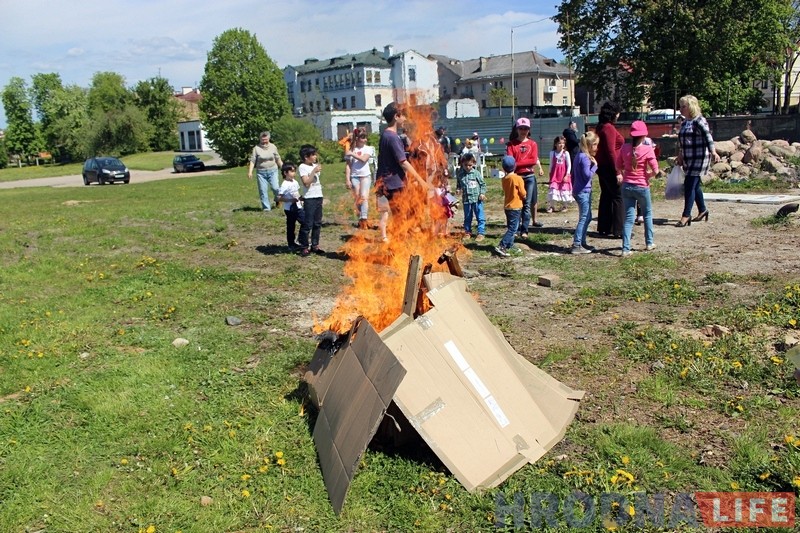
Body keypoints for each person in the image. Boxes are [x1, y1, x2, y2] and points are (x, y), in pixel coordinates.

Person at [375, 102, 432, 241]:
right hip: (395, 184)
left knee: (399, 218)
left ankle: (398, 249)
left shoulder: (385, 135)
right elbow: (403, 163)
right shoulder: (393, 137)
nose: (405, 119)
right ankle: (398, 250)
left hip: (388, 182)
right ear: (396, 116)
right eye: (403, 116)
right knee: (401, 220)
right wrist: (421, 181)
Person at [616, 121, 659, 256]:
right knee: (647, 214)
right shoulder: (647, 149)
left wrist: (623, 174)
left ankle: (625, 248)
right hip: (642, 186)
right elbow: (656, 169)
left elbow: (618, 165)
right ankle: (649, 242)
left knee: (629, 218)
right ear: (644, 135)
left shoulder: (624, 148)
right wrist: (648, 175)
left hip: (627, 186)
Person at [676, 94, 719, 227]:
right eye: (680, 106)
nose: (681, 109)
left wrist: (713, 152)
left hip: (700, 158)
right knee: (695, 185)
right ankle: (703, 210)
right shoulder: (685, 122)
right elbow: (682, 141)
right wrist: (680, 155)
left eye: (684, 106)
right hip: (689, 157)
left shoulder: (699, 121)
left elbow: (708, 137)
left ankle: (686, 215)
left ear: (691, 107)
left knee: (689, 185)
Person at [506, 117, 544, 237]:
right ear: (517, 129)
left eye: (526, 128)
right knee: (517, 204)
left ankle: (525, 229)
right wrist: (518, 163)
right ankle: (515, 229)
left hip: (529, 177)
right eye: (521, 128)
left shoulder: (533, 144)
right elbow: (509, 161)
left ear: (529, 130)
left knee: (527, 204)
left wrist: (517, 163)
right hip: (516, 177)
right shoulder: (511, 145)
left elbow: (533, 160)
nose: (523, 131)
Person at [595, 101, 625, 238]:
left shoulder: (601, 127)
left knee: (606, 196)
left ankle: (604, 227)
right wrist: (617, 171)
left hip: (602, 166)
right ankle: (619, 230)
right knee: (618, 197)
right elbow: (611, 151)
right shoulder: (609, 128)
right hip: (609, 166)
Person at [570, 131, 599, 254]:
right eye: (596, 145)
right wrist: (595, 166)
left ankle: (582, 242)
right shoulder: (586, 158)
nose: (597, 148)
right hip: (583, 192)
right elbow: (587, 176)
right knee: (584, 218)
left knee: (588, 217)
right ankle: (577, 244)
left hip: (579, 190)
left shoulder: (578, 155)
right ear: (589, 145)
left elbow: (573, 174)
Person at [495, 155, 526, 257]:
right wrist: (525, 196)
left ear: (504, 168)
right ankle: (502, 245)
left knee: (511, 227)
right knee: (513, 229)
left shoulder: (504, 179)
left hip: (507, 206)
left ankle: (510, 244)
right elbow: (522, 192)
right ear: (515, 165)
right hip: (516, 206)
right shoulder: (518, 178)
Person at [344, 127, 375, 229]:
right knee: (357, 198)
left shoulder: (368, 148)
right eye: (362, 137)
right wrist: (347, 179)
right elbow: (348, 165)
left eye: (365, 137)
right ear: (357, 138)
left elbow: (364, 159)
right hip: (354, 176)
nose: (365, 139)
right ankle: (360, 218)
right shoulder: (351, 149)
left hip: (365, 176)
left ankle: (364, 219)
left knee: (364, 196)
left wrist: (352, 154)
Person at [297, 144, 324, 257]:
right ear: (306, 157)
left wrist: (315, 169)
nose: (315, 156)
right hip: (309, 197)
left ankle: (315, 245)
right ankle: (304, 246)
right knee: (308, 223)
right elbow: (306, 183)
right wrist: (313, 171)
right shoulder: (302, 167)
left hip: (318, 196)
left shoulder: (315, 165)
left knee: (317, 223)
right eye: (312, 155)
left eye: (315, 154)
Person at [247, 131, 283, 211]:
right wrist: (250, 172)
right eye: (262, 140)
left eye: (266, 139)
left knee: (276, 188)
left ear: (269, 139)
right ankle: (266, 208)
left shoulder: (273, 147)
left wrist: (284, 168)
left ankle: (278, 200)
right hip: (261, 172)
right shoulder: (256, 148)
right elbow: (253, 161)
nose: (264, 141)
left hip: (273, 170)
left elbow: (278, 159)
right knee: (263, 190)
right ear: (260, 139)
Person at [456, 152, 487, 241]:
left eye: (470, 165)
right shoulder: (460, 174)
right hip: (466, 200)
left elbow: (483, 184)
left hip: (477, 199)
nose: (468, 167)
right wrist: (458, 189)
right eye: (465, 165)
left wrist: (482, 193)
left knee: (480, 216)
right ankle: (467, 232)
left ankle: (481, 233)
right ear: (462, 164)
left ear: (473, 163)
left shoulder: (476, 173)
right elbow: (458, 185)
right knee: (467, 217)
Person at [276, 162, 304, 251]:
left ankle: (300, 240)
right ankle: (291, 244)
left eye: (294, 171)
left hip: (298, 207)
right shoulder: (285, 184)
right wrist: (290, 200)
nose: (294, 173)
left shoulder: (295, 182)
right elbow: (278, 198)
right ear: (285, 173)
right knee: (291, 226)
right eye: (291, 171)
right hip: (290, 209)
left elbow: (297, 193)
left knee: (305, 222)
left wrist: (301, 199)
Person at [547, 136, 573, 212]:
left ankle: (565, 206)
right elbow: (551, 164)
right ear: (555, 144)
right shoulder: (552, 153)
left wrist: (567, 175)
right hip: (555, 175)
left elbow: (569, 165)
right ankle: (552, 206)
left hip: (563, 175)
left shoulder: (566, 153)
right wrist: (550, 173)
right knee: (553, 189)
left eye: (563, 143)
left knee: (564, 190)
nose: (561, 145)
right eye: (559, 143)